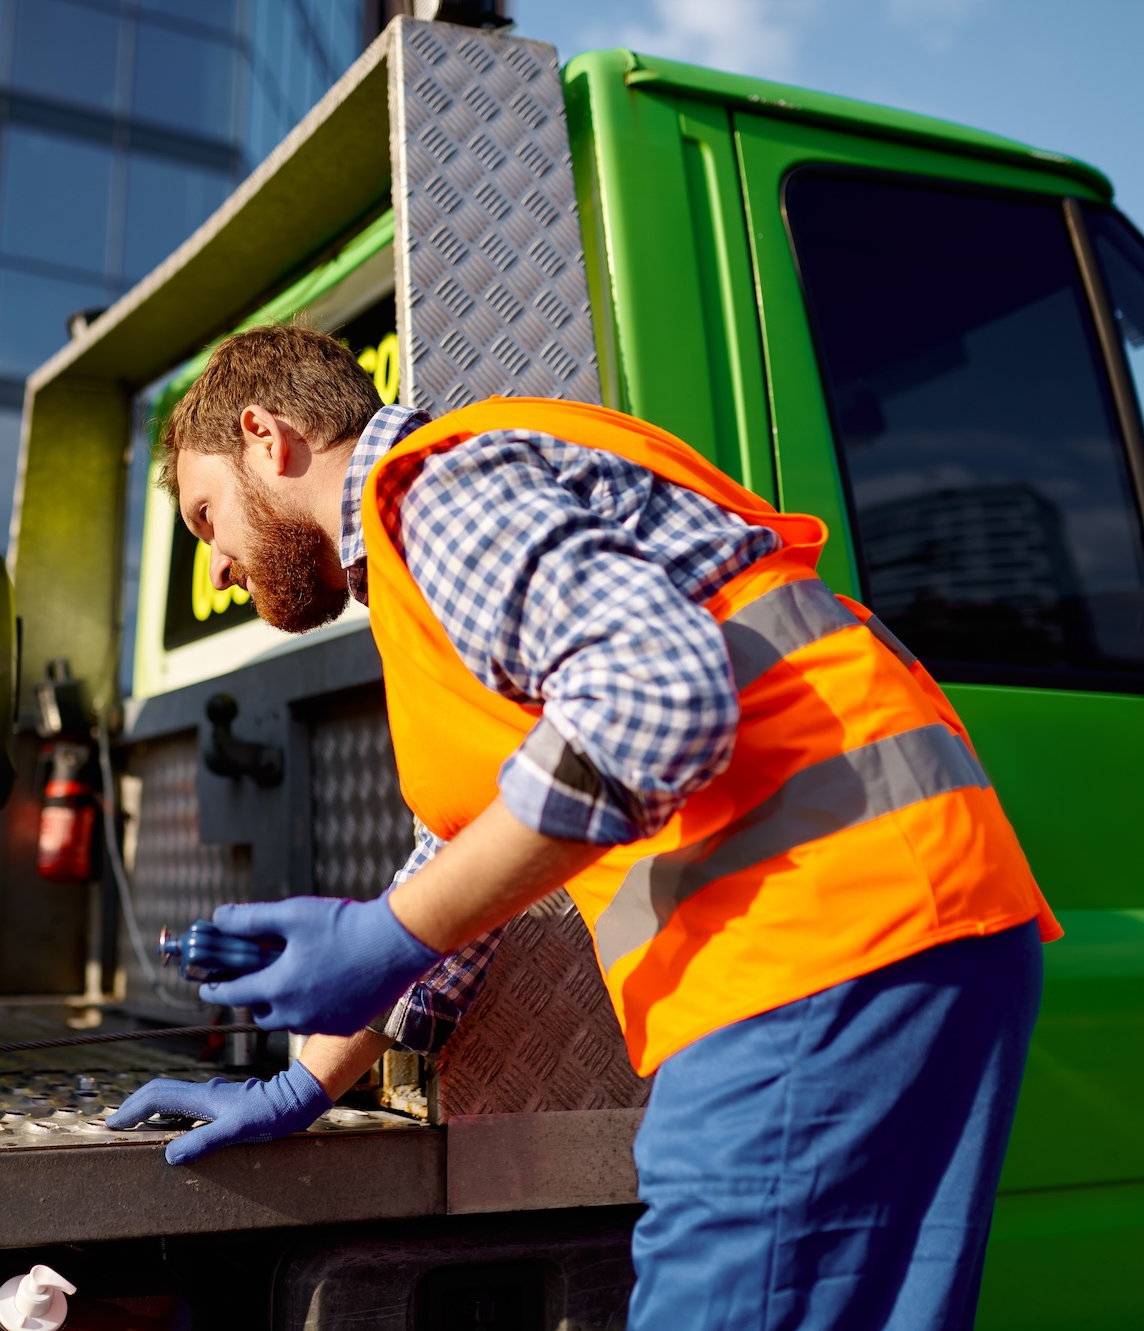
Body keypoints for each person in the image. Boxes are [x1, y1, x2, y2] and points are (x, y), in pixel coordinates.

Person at [106, 324, 1060, 1330]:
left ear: (268, 437)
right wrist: (303, 1079)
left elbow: (654, 694)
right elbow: (471, 858)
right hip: (913, 923)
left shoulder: (431, 496)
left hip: (808, 944)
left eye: (205, 518)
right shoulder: (432, 554)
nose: (213, 568)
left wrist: (390, 935)